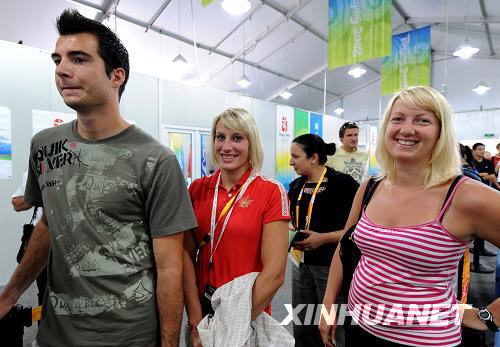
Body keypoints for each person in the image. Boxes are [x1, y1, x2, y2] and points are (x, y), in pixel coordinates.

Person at [0, 9, 198, 347]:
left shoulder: (156, 160)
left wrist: (169, 343)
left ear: (116, 76)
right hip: (55, 332)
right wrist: (8, 296)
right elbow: (49, 224)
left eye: (78, 59)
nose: (62, 70)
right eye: (58, 60)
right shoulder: (45, 145)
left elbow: (169, 268)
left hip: (128, 335)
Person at [319, 86, 500, 347]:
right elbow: (344, 247)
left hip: (425, 341)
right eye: (398, 118)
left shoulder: (464, 195)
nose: (407, 129)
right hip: (359, 328)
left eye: (422, 120)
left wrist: (487, 317)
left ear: (441, 132)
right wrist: (327, 307)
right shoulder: (370, 186)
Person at [183, 108, 290, 346]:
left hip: (248, 315)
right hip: (202, 315)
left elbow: (275, 274)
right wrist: (195, 320)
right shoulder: (197, 190)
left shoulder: (271, 192)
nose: (226, 146)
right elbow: (185, 258)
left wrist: (229, 326)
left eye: (237, 138)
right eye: (220, 137)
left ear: (251, 143)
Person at [289, 134, 358, 346]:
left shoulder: (342, 184)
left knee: (332, 327)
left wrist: (323, 238)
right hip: (300, 264)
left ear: (314, 157)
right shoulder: (295, 186)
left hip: (331, 266)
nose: (291, 162)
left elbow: (358, 229)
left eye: (295, 156)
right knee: (302, 325)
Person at [11, 172, 47, 307]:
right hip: (43, 241)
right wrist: (37, 193)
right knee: (44, 291)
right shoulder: (35, 172)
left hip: (69, 239)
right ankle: (44, 326)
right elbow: (16, 203)